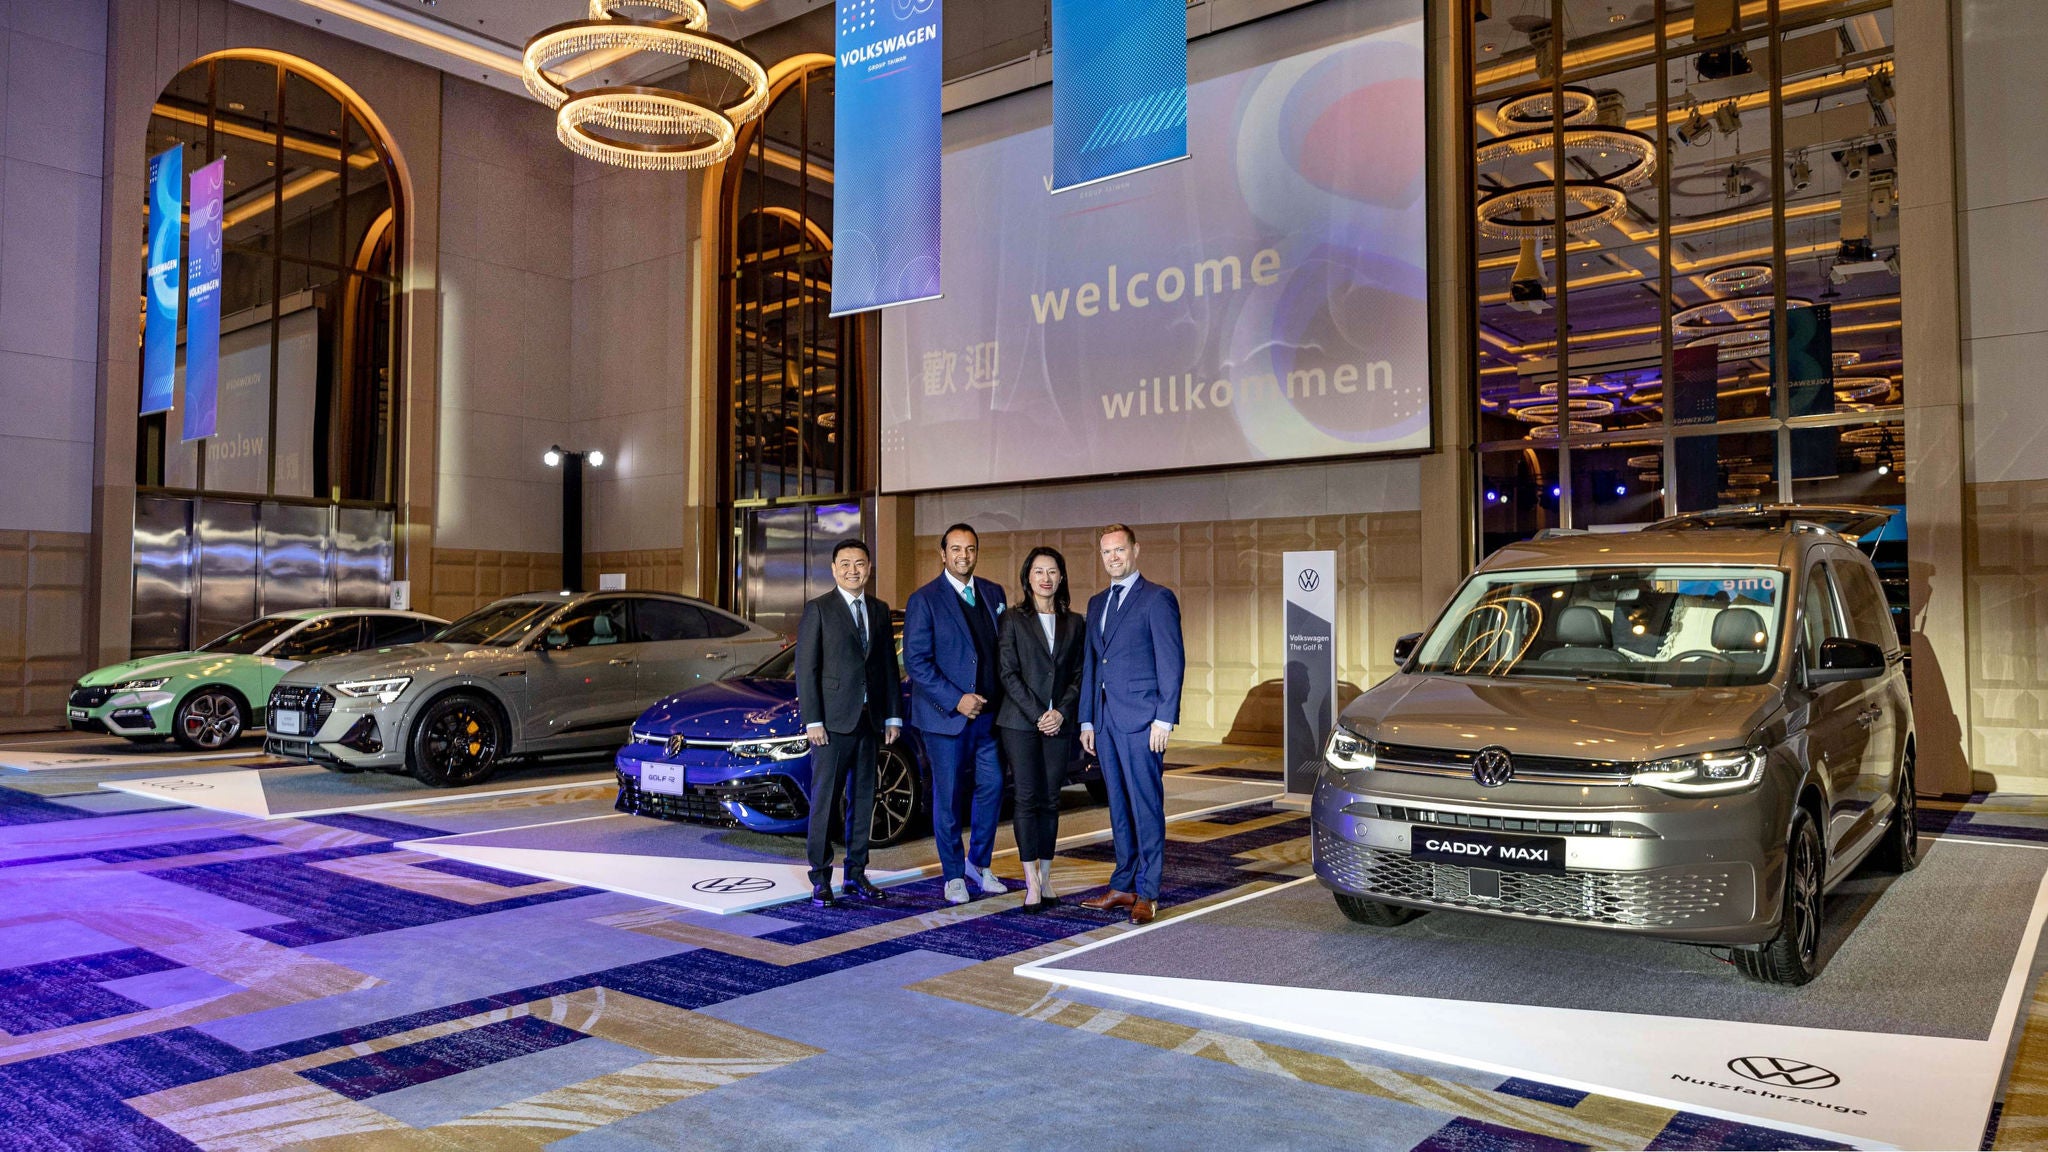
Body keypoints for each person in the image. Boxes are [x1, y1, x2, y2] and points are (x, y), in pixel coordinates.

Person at [1078, 523, 1184, 925]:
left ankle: (1149, 891)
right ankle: (1123, 884)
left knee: (1145, 806)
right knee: (1119, 807)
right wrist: (1087, 719)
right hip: (1105, 721)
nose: (1113, 558)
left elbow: (1171, 661)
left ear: (1135, 550)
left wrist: (1164, 718)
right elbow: (1092, 664)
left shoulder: (1157, 598)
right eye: (1106, 552)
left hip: (1143, 721)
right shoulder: (1096, 603)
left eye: (1119, 550)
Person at [903, 522, 1010, 905]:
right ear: (943, 554)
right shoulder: (925, 599)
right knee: (947, 798)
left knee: (993, 788)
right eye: (956, 549)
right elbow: (917, 661)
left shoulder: (994, 593)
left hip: (989, 717)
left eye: (970, 549)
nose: (963, 556)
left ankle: (978, 864)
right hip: (946, 718)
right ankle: (952, 874)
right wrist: (957, 699)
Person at [794, 539, 901, 908]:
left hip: (870, 721)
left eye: (860, 563)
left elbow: (887, 665)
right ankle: (820, 877)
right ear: (834, 569)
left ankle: (856, 873)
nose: (853, 570)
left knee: (864, 799)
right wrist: (813, 720)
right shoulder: (819, 609)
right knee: (825, 802)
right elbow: (806, 669)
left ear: (869, 568)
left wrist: (892, 715)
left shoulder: (879, 609)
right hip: (832, 724)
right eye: (845, 564)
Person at [996, 546, 1086, 913]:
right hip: (1020, 722)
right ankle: (1030, 881)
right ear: (1027, 577)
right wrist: (1039, 714)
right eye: (1038, 571)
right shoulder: (1012, 619)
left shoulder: (1075, 622)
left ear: (1061, 577)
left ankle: (1046, 877)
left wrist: (1061, 712)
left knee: (1051, 799)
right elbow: (1008, 673)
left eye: (1052, 571)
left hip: (1059, 723)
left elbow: (1079, 674)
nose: (1045, 578)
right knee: (1026, 797)